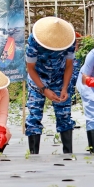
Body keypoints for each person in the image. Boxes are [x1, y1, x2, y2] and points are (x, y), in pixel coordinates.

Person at [25, 16, 76, 154]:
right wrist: (44, 89)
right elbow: (30, 68)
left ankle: (68, 155)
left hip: (59, 78)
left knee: (64, 114)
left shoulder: (70, 40)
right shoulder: (34, 41)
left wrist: (65, 88)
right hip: (38, 78)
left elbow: (69, 65)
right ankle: (34, 156)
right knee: (34, 115)